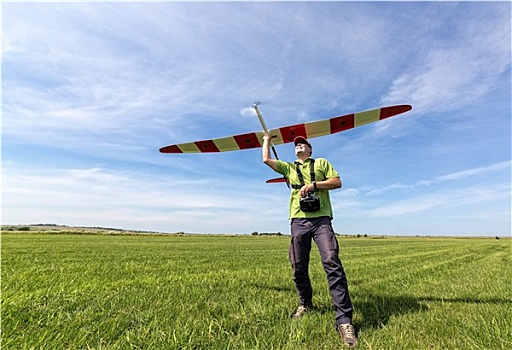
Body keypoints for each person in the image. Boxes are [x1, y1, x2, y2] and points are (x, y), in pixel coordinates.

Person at [262, 134, 357, 348]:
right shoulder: (288, 168)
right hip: (298, 221)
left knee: (332, 262)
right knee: (298, 266)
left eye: (302, 143)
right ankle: (305, 304)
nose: (298, 145)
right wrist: (266, 139)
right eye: (296, 144)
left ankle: (344, 321)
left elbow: (337, 182)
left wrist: (314, 185)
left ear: (310, 149)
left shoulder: (322, 163)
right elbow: (266, 160)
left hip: (321, 220)